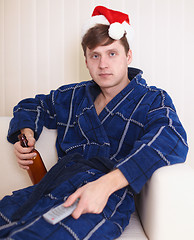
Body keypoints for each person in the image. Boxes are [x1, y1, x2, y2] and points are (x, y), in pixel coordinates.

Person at [0, 5, 188, 240]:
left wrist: (107, 184)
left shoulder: (152, 99)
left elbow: (171, 138)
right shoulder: (74, 96)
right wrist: (26, 130)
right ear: (86, 61)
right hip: (51, 186)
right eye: (95, 56)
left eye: (112, 53)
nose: (103, 64)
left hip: (106, 196)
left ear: (128, 56)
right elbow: (31, 105)